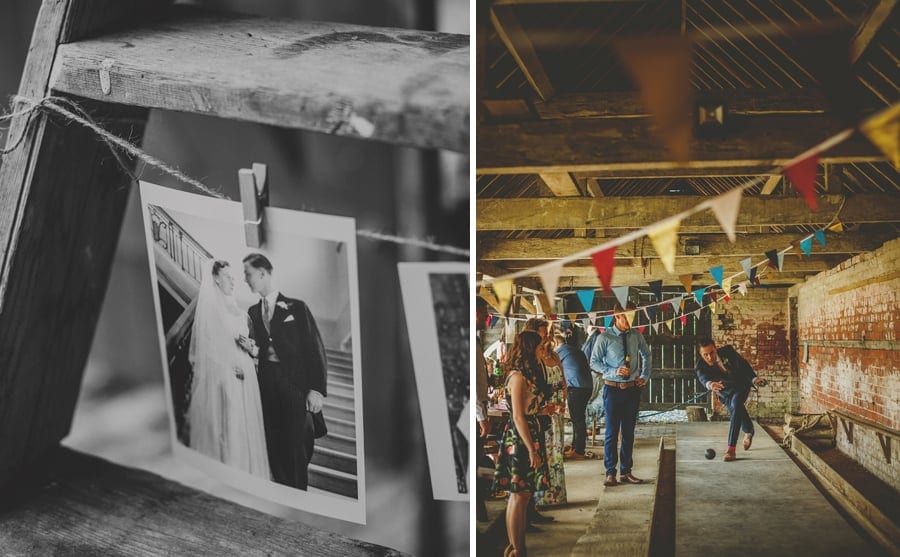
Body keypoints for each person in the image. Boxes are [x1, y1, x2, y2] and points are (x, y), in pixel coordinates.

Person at [242, 253, 328, 490]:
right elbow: (262, 347)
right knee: (274, 445)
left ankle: (298, 497)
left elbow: (314, 348)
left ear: (262, 273)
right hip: (266, 385)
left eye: (248, 274)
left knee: (297, 446)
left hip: (294, 386)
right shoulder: (252, 312)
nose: (245, 279)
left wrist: (316, 390)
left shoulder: (296, 307)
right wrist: (253, 349)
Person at [187, 259, 270, 478]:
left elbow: (250, 343)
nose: (233, 281)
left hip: (246, 376)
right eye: (227, 277)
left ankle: (249, 473)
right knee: (230, 425)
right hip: (227, 376)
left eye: (233, 277)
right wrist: (230, 366)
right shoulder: (212, 309)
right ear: (216, 279)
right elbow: (208, 346)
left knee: (246, 426)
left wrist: (251, 347)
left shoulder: (239, 312)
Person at [494, 330, 551, 557]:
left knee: (522, 494)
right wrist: (530, 449)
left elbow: (527, 408)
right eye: (539, 347)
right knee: (518, 494)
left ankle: (515, 546)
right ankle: (517, 548)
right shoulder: (517, 377)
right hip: (520, 439)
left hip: (530, 433)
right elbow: (518, 416)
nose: (542, 351)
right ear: (529, 349)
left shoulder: (526, 375)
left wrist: (542, 410)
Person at [589, 303, 652, 487]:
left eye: (633, 316)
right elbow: (593, 362)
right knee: (611, 432)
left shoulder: (636, 335)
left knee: (628, 433)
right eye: (627, 316)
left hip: (632, 390)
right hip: (612, 389)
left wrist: (644, 376)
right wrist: (613, 371)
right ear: (617, 316)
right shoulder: (605, 337)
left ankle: (626, 471)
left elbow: (647, 355)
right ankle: (610, 472)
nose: (631, 320)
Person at [695, 337, 765, 462]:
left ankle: (731, 450)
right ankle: (749, 430)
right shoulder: (700, 365)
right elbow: (703, 378)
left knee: (736, 404)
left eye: (711, 353)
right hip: (725, 393)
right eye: (705, 355)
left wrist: (754, 379)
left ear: (715, 348)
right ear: (701, 354)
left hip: (740, 385)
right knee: (736, 409)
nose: (710, 357)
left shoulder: (728, 351)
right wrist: (710, 384)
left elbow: (744, 365)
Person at [532, 326, 567, 509]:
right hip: (543, 410)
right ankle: (541, 498)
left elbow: (563, 381)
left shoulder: (554, 355)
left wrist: (563, 401)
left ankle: (556, 495)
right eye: (544, 333)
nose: (548, 336)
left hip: (557, 410)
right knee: (544, 452)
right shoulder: (535, 358)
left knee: (556, 451)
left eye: (549, 333)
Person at [555, 333, 592, 460]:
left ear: (556, 343)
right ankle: (576, 447)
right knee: (579, 418)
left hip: (576, 387)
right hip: (587, 387)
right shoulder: (576, 350)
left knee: (577, 420)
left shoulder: (560, 352)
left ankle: (579, 451)